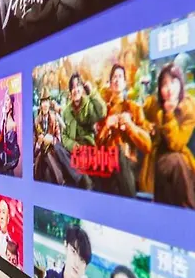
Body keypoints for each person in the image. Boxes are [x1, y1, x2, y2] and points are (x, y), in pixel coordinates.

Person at [140, 63, 195, 208]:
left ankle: (187, 208)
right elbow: (139, 117)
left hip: (178, 157)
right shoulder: (153, 104)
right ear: (159, 88)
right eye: (165, 84)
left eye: (173, 82)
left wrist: (169, 115)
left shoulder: (188, 109)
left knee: (177, 160)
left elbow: (176, 144)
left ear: (180, 83)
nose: (169, 89)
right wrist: (147, 126)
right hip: (157, 157)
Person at [95, 63, 151, 196]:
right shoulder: (104, 112)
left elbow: (147, 145)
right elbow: (96, 146)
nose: (117, 80)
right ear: (110, 84)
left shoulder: (134, 108)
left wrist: (130, 126)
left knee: (119, 152)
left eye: (120, 76)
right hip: (107, 163)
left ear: (125, 83)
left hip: (128, 161)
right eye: (114, 77)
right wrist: (106, 126)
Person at [61, 74, 106, 152]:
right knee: (57, 148)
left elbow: (102, 113)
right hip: (73, 150)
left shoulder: (88, 105)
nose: (76, 90)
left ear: (82, 89)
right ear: (70, 91)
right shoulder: (66, 111)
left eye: (78, 86)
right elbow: (64, 135)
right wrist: (73, 146)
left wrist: (92, 92)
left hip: (87, 149)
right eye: (73, 87)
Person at [0, 92, 22, 175]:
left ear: (11, 105)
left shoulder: (13, 124)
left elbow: (14, 152)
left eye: (7, 100)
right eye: (4, 101)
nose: (5, 103)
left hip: (8, 168)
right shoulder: (2, 122)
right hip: (1, 165)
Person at [0, 199, 18, 263]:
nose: (1, 217)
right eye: (0, 212)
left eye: (3, 212)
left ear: (8, 218)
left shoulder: (11, 242)